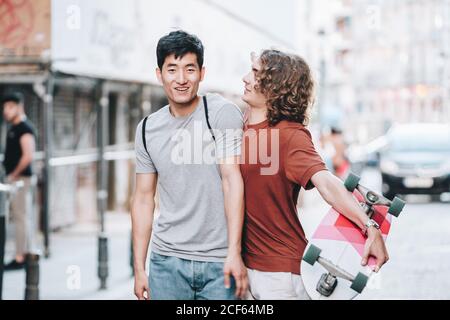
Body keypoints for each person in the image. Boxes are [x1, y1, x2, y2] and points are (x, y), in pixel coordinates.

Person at [240, 50, 389, 299]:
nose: (245, 78)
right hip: (245, 268)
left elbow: (327, 183)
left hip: (280, 277)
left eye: (255, 73)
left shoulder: (290, 136)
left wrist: (369, 226)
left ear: (276, 86)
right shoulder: (239, 125)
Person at [131, 30, 248, 300]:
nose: (181, 79)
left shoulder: (221, 113)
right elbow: (143, 199)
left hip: (220, 263)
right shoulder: (147, 129)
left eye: (189, 69)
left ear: (202, 73)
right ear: (159, 74)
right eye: (172, 69)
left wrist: (234, 252)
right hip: (166, 263)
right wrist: (139, 267)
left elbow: (232, 180)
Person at [2, 92, 37, 271]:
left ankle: (20, 257)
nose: (6, 111)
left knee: (21, 217)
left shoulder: (25, 128)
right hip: (16, 178)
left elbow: (28, 155)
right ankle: (26, 253)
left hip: (21, 179)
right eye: (4, 108)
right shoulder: (13, 128)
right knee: (20, 216)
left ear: (19, 106)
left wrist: (13, 174)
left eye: (10, 107)